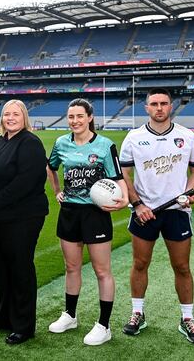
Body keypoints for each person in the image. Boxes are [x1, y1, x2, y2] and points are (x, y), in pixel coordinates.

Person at [119, 88, 194, 344]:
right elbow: (124, 175)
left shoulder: (187, 136)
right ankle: (137, 313)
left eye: (164, 103)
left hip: (176, 213)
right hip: (144, 212)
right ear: (146, 107)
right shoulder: (133, 137)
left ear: (171, 106)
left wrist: (189, 191)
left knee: (181, 266)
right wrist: (137, 205)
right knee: (140, 264)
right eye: (154, 103)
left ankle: (187, 318)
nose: (159, 108)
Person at [46, 98, 128, 346]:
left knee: (102, 271)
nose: (75, 121)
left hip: (96, 214)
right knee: (71, 267)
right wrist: (57, 191)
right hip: (70, 212)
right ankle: (70, 315)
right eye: (71, 117)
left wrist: (124, 200)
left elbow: (117, 176)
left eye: (80, 116)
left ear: (89, 117)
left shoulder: (105, 145)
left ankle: (104, 325)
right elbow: (51, 167)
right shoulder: (61, 143)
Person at [0, 99, 48, 345]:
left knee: (20, 269)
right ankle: (2, 317)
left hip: (22, 217)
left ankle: (23, 326)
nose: (10, 118)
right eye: (6, 114)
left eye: (15, 114)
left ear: (24, 117)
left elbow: (27, 181)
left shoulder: (30, 143)